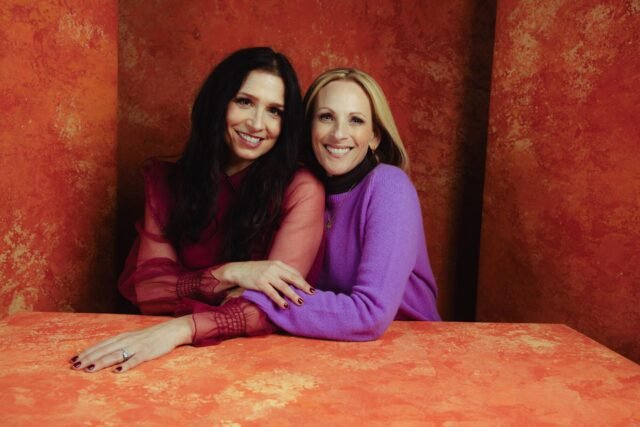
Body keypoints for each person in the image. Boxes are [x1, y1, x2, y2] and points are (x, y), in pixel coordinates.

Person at [69, 47, 324, 373]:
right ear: (218, 102)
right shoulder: (167, 181)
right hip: (169, 358)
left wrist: (178, 329)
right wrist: (231, 273)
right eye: (244, 102)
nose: (257, 123)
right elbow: (147, 290)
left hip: (257, 362)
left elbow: (270, 308)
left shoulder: (301, 189)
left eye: (274, 111)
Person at [242, 68, 441, 339]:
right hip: (328, 345)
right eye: (326, 117)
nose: (338, 134)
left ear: (374, 137)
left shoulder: (389, 187)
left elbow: (370, 315)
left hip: (408, 345)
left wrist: (254, 297)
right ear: (308, 128)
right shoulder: (302, 190)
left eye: (356, 120)